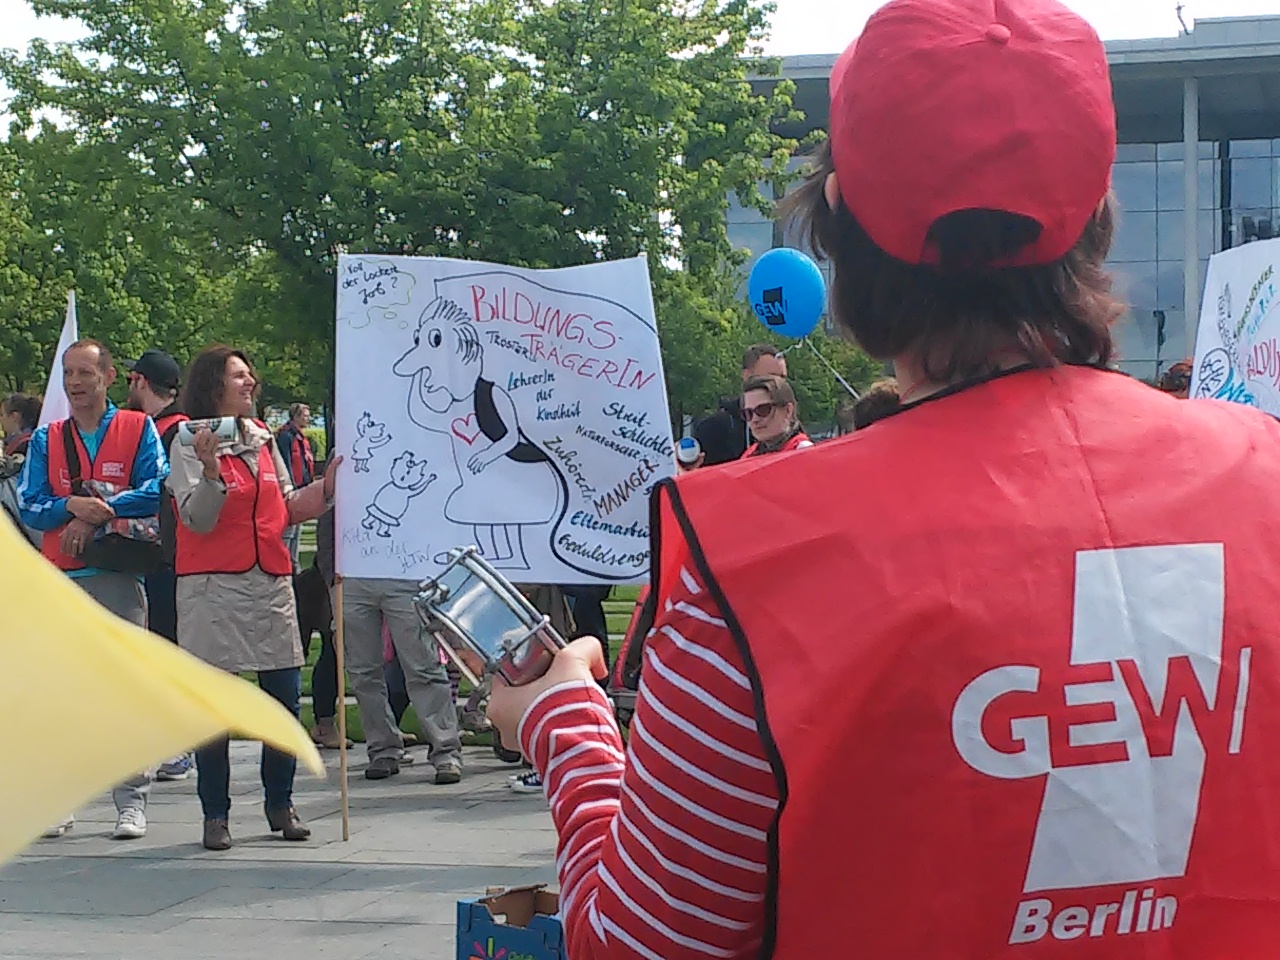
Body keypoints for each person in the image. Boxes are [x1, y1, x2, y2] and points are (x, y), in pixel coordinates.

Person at [488, 1, 1280, 956]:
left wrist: (563, 725)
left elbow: (640, 943)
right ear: (1096, 220)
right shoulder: (1262, 474)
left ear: (840, 237)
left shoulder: (754, 557)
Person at [167, 345, 340, 851]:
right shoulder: (186, 441)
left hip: (269, 584)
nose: (251, 383)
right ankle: (215, 814)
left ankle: (280, 804)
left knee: (284, 698)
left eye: (250, 376)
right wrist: (213, 474)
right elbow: (195, 518)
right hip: (211, 588)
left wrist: (328, 488)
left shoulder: (264, 441)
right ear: (214, 384)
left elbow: (285, 508)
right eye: (239, 376)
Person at [18, 340, 167, 840]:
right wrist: (72, 509)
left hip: (119, 577)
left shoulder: (136, 427)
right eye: (69, 374)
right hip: (62, 577)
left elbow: (157, 487)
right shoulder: (48, 439)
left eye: (86, 372)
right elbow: (32, 505)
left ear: (107, 376)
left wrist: (103, 505)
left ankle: (131, 799)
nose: (76, 383)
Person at [124, 349, 193, 781]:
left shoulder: (174, 432)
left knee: (167, 647)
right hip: (155, 555)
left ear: (140, 382)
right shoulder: (158, 429)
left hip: (168, 555)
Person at [692, 344, 787, 464]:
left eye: (782, 378)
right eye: (770, 377)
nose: (778, 384)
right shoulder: (715, 429)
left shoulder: (792, 429)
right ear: (746, 376)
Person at [275, 402, 315, 572]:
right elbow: (285, 462)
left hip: (301, 488)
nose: (308, 419)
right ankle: (286, 566)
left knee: (297, 531)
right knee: (289, 532)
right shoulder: (286, 436)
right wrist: (289, 487)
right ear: (296, 416)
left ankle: (294, 565)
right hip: (291, 491)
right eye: (305, 415)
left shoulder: (301, 438)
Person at [1, 393, 42, 545]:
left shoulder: (25, 446)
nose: (1, 420)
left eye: (2, 415)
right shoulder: (36, 440)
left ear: (15, 416)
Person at [740, 374, 812, 456]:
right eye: (748, 413)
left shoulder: (803, 451)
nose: (755, 419)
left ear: (788, 411)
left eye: (763, 410)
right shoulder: (748, 455)